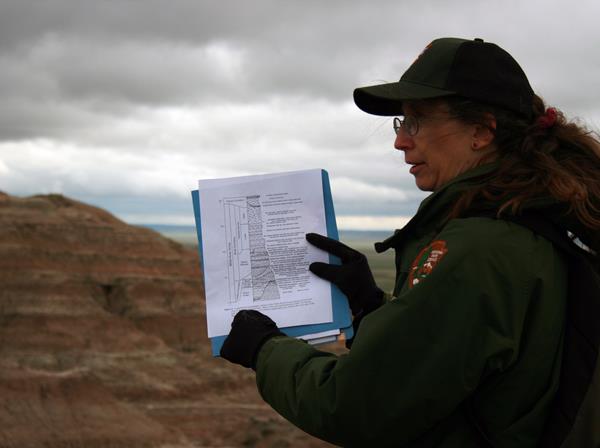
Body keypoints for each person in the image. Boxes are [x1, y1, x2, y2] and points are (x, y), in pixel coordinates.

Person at [218, 37, 600, 446]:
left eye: (416, 121)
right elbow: (467, 356)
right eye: (402, 123)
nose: (400, 141)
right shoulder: (548, 215)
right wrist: (370, 306)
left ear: (482, 131)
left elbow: (354, 405)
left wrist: (264, 349)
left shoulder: (484, 245)